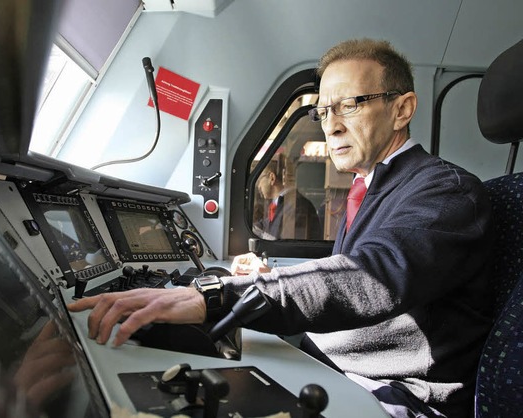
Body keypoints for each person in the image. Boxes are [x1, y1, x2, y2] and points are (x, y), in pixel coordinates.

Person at [68, 39, 494, 418]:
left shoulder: (447, 192)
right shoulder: (373, 184)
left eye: (350, 104)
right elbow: (346, 272)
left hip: (398, 396)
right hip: (335, 362)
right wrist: (266, 278)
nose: (331, 125)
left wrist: (218, 296)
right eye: (324, 110)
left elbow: (373, 276)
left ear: (402, 109)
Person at [253, 163, 322, 240]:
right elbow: (266, 224)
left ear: (272, 178)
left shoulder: (297, 206)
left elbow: (289, 244)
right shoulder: (281, 204)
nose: (258, 186)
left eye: (259, 180)